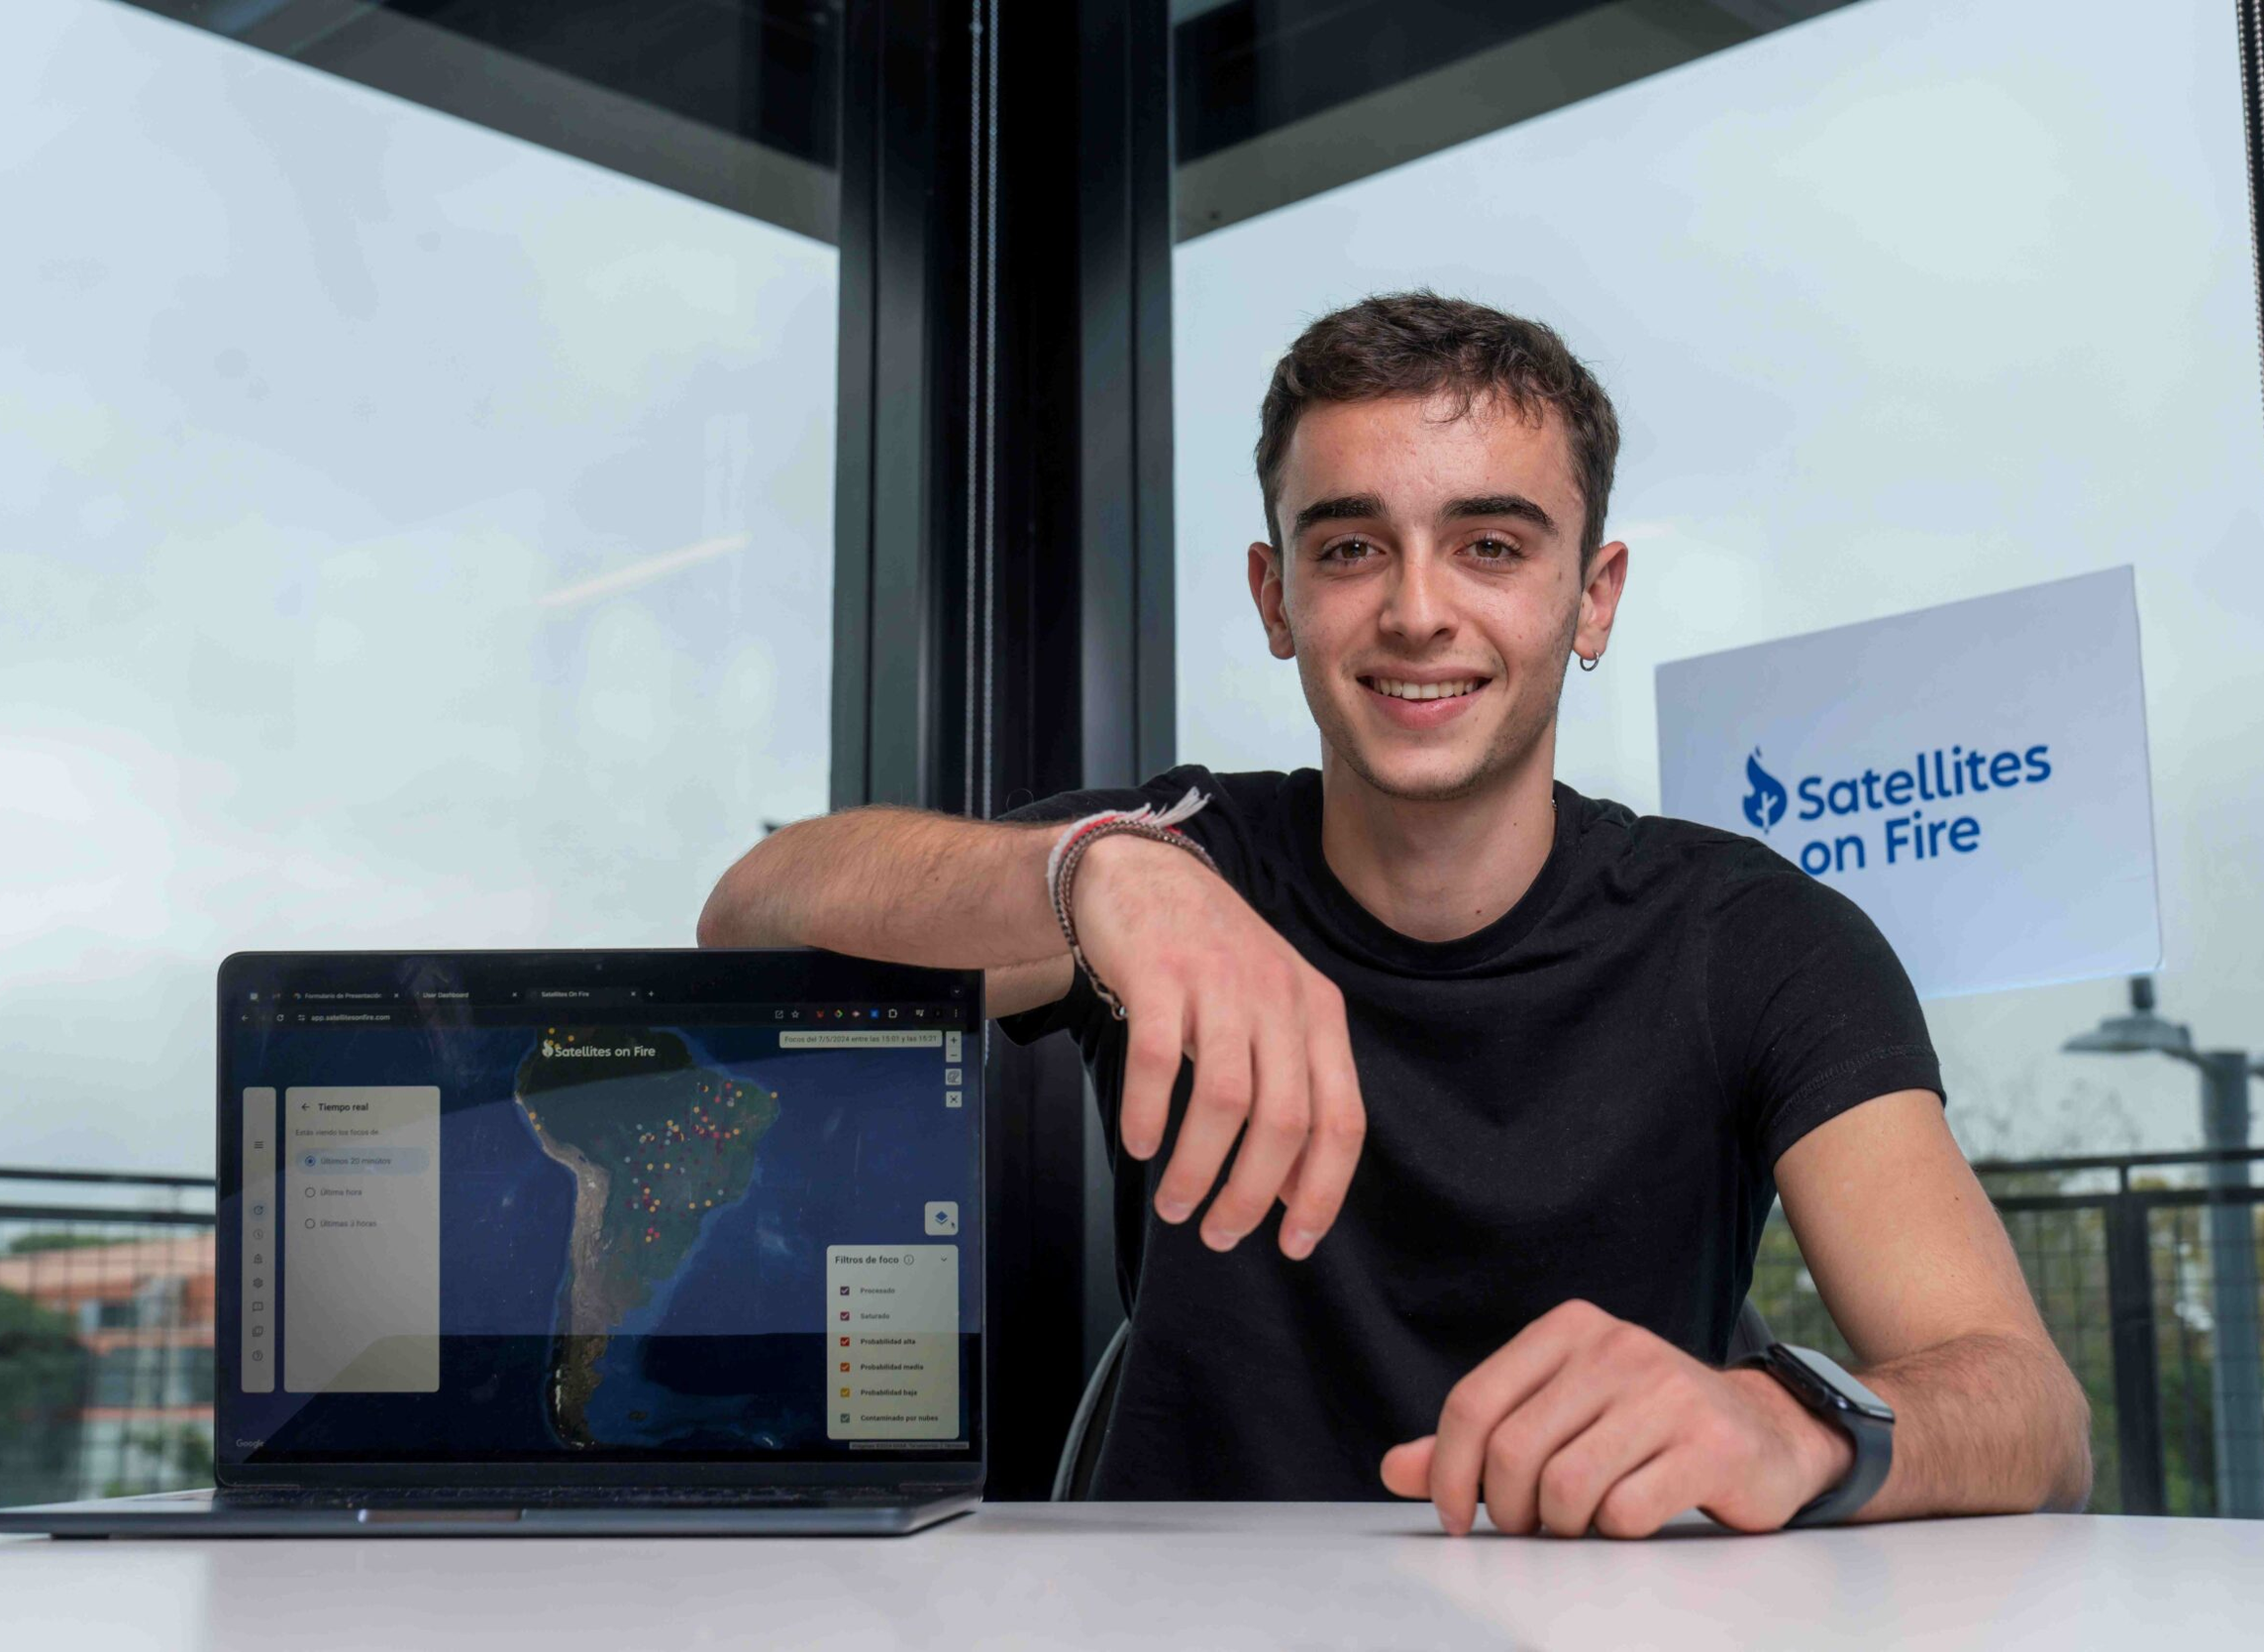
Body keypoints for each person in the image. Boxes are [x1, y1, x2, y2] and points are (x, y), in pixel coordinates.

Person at [699, 291, 2092, 1535]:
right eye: (1354, 547)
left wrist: (1785, 1426)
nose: (1418, 612)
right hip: (1177, 1621)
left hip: (1598, 1617)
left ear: (1592, 599)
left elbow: (2028, 1408)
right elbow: (750, 923)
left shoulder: (1754, 939)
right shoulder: (1174, 859)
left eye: (1490, 544)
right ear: (1278, 596)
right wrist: (1091, 873)